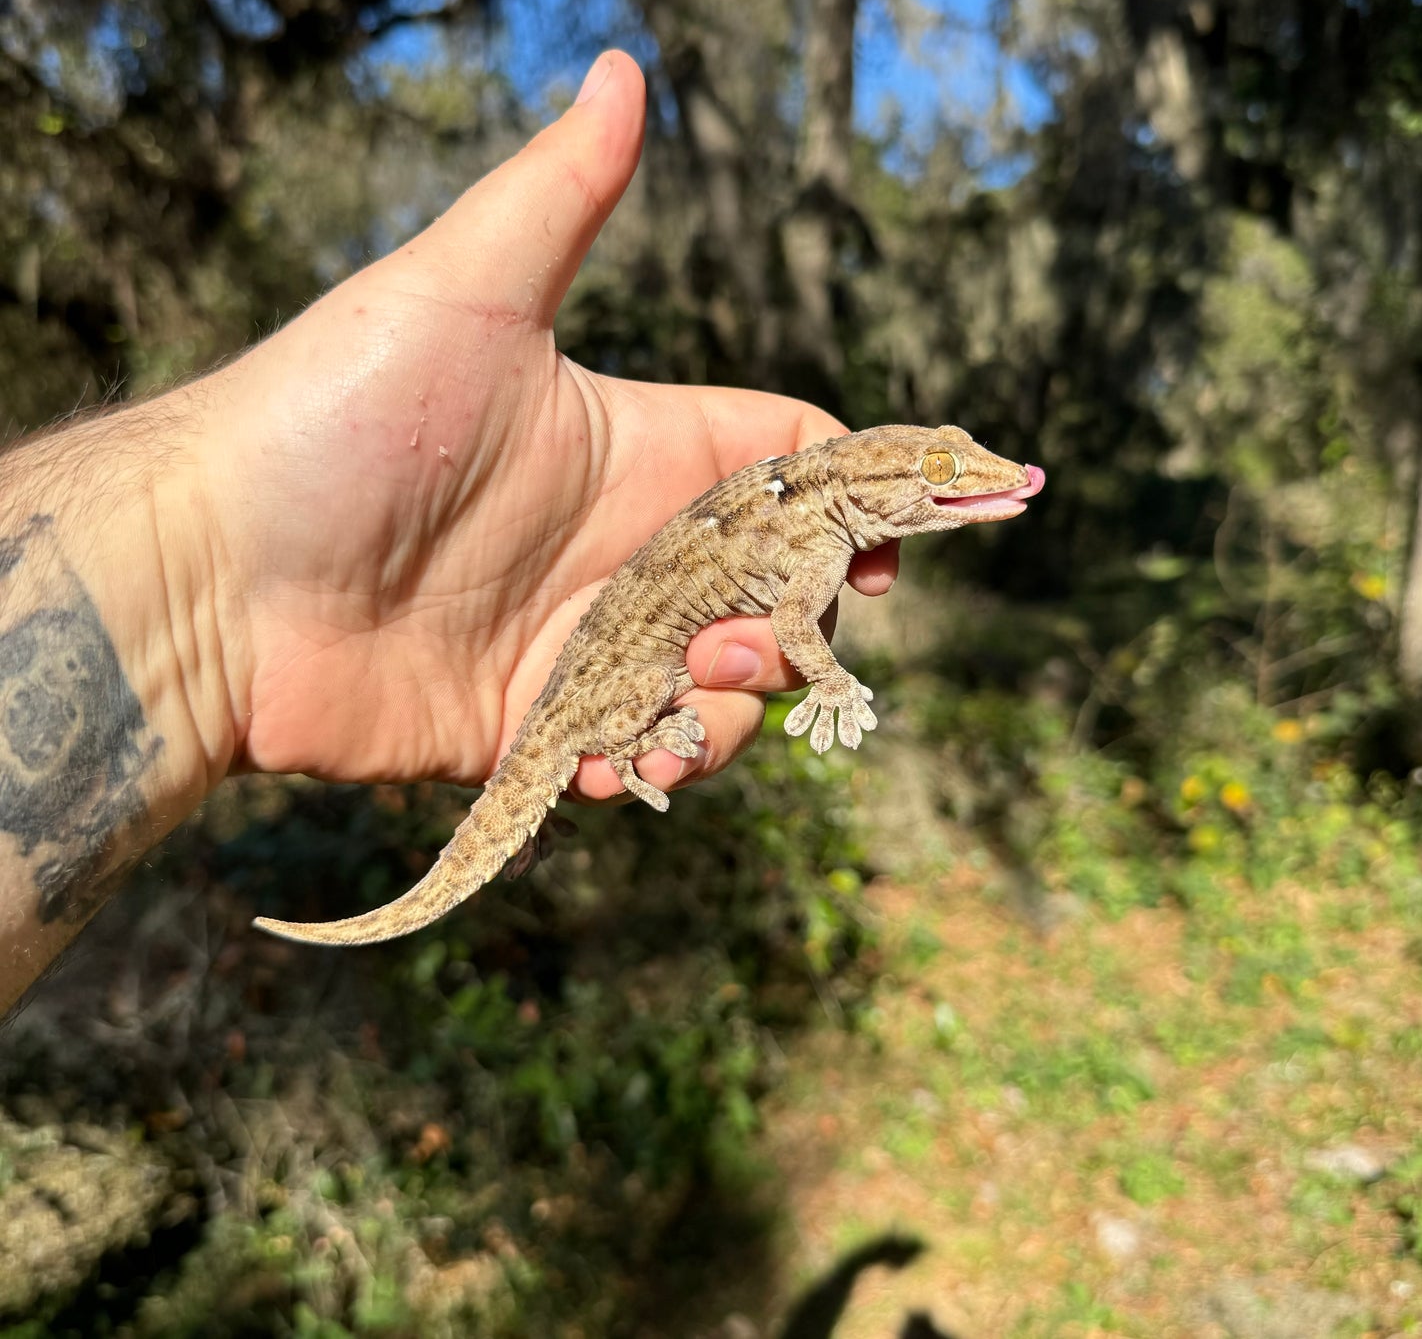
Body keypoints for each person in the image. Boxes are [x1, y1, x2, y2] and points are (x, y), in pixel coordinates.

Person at [0, 51, 898, 1013]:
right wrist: (829, 680)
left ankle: (570, 766)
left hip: (595, 672)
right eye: (935, 468)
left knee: (638, 706)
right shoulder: (804, 522)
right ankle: (581, 757)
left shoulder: (810, 523)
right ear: (878, 480)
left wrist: (207, 581)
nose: (960, 479)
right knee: (643, 706)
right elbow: (796, 632)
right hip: (603, 678)